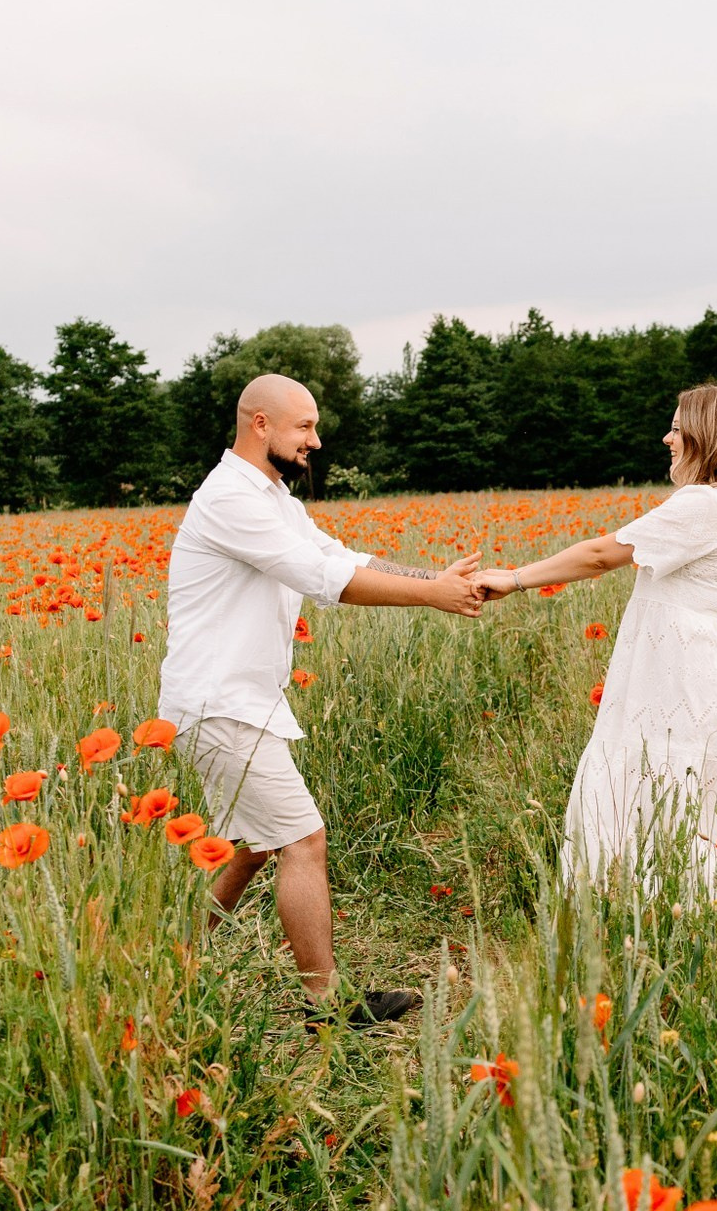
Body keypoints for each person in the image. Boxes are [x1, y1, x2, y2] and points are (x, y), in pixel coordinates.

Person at [160, 373, 485, 1022]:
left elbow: (336, 553)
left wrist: (435, 577)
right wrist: (432, 595)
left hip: (237, 701)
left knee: (255, 845)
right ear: (260, 424)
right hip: (219, 703)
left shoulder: (273, 496)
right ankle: (327, 1005)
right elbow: (321, 576)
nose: (316, 439)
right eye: (304, 426)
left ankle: (169, 961)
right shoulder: (229, 498)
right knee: (303, 839)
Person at [476, 384, 717, 902]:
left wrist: (514, 579)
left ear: (708, 434)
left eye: (677, 428)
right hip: (681, 672)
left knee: (651, 796)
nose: (667, 438)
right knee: (665, 800)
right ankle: (663, 920)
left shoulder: (702, 503)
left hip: (680, 678)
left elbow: (600, 555)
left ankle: (642, 919)